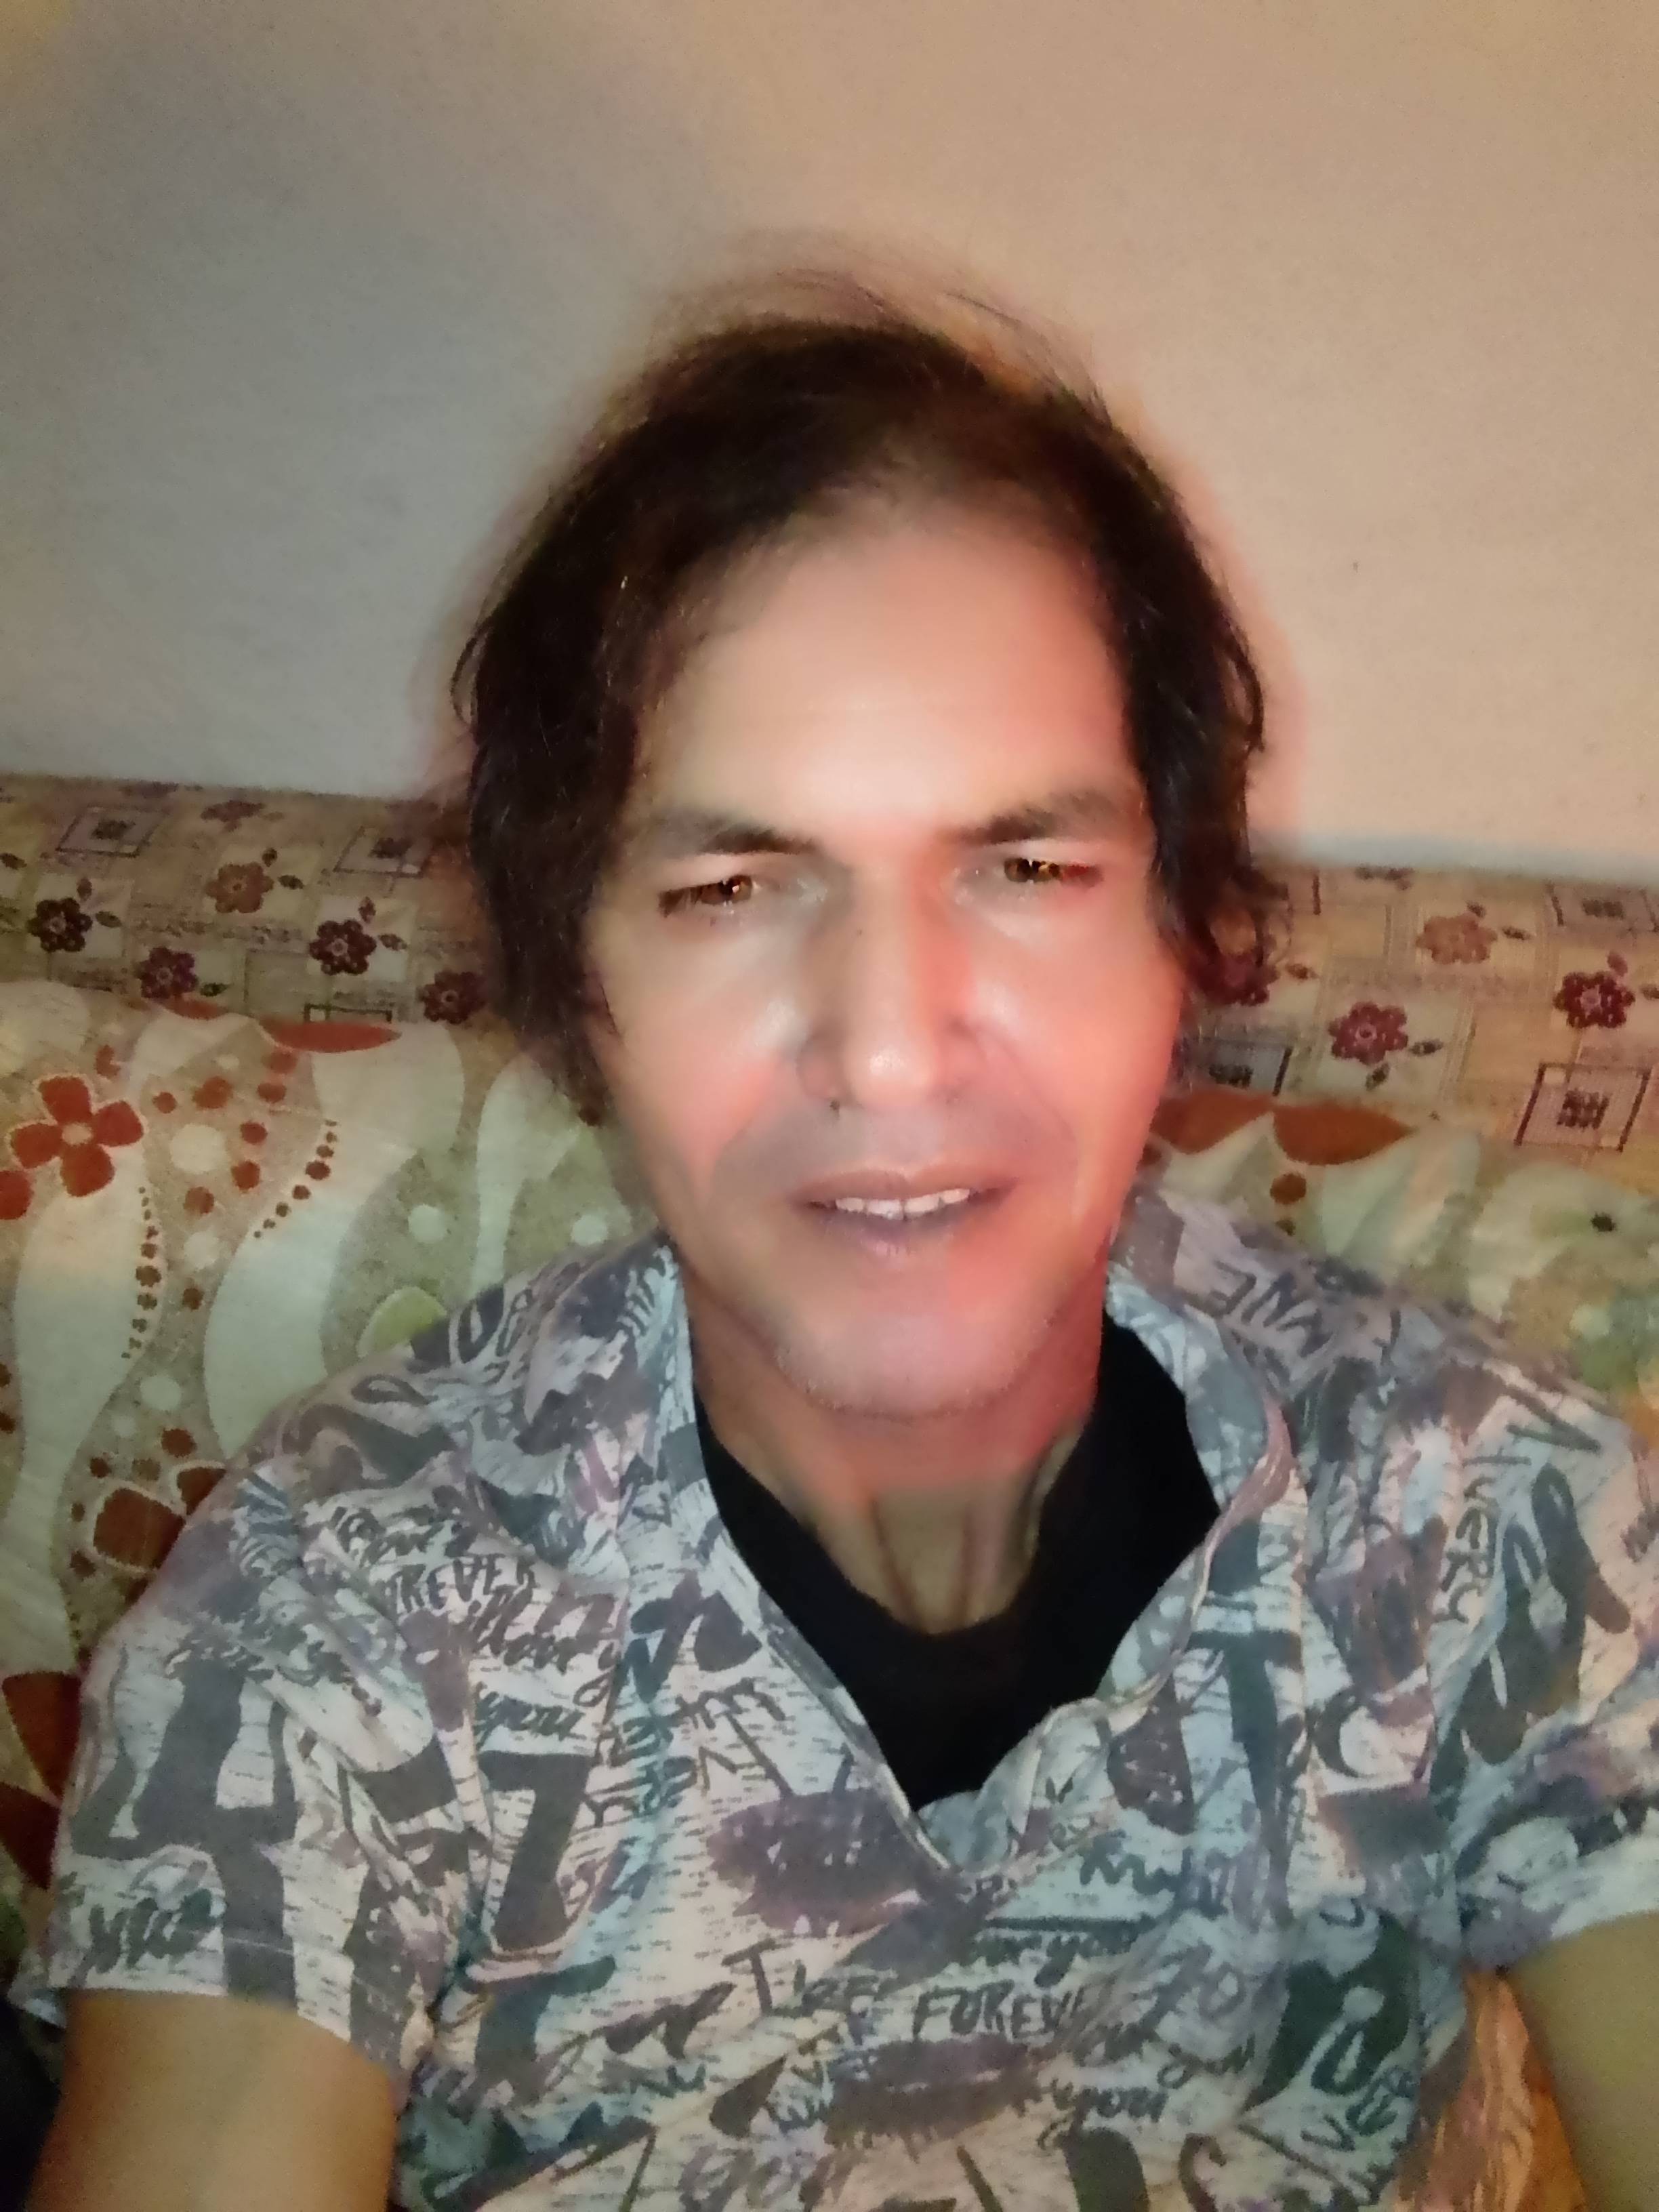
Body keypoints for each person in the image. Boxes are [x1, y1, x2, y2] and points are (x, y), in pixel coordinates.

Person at [12, 275, 1659, 2212]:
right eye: (731, 887)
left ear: (1183, 943)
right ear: (577, 988)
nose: (887, 1048)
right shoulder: (336, 1616)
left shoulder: (1479, 1514)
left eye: (1029, 868)